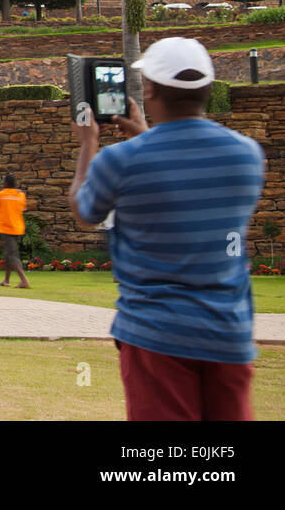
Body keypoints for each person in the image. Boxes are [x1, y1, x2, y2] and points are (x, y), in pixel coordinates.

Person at [70, 37, 263, 421]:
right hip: (229, 331)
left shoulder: (121, 159)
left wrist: (88, 144)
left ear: (152, 89)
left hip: (156, 333)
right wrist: (147, 137)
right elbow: (185, 181)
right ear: (208, 89)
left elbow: (84, 210)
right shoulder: (246, 155)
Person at [0, 173, 30, 289]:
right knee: (8, 255)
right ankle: (6, 280)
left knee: (12, 255)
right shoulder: (21, 195)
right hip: (18, 228)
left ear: (5, 183)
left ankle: (24, 280)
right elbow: (22, 209)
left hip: (6, 228)